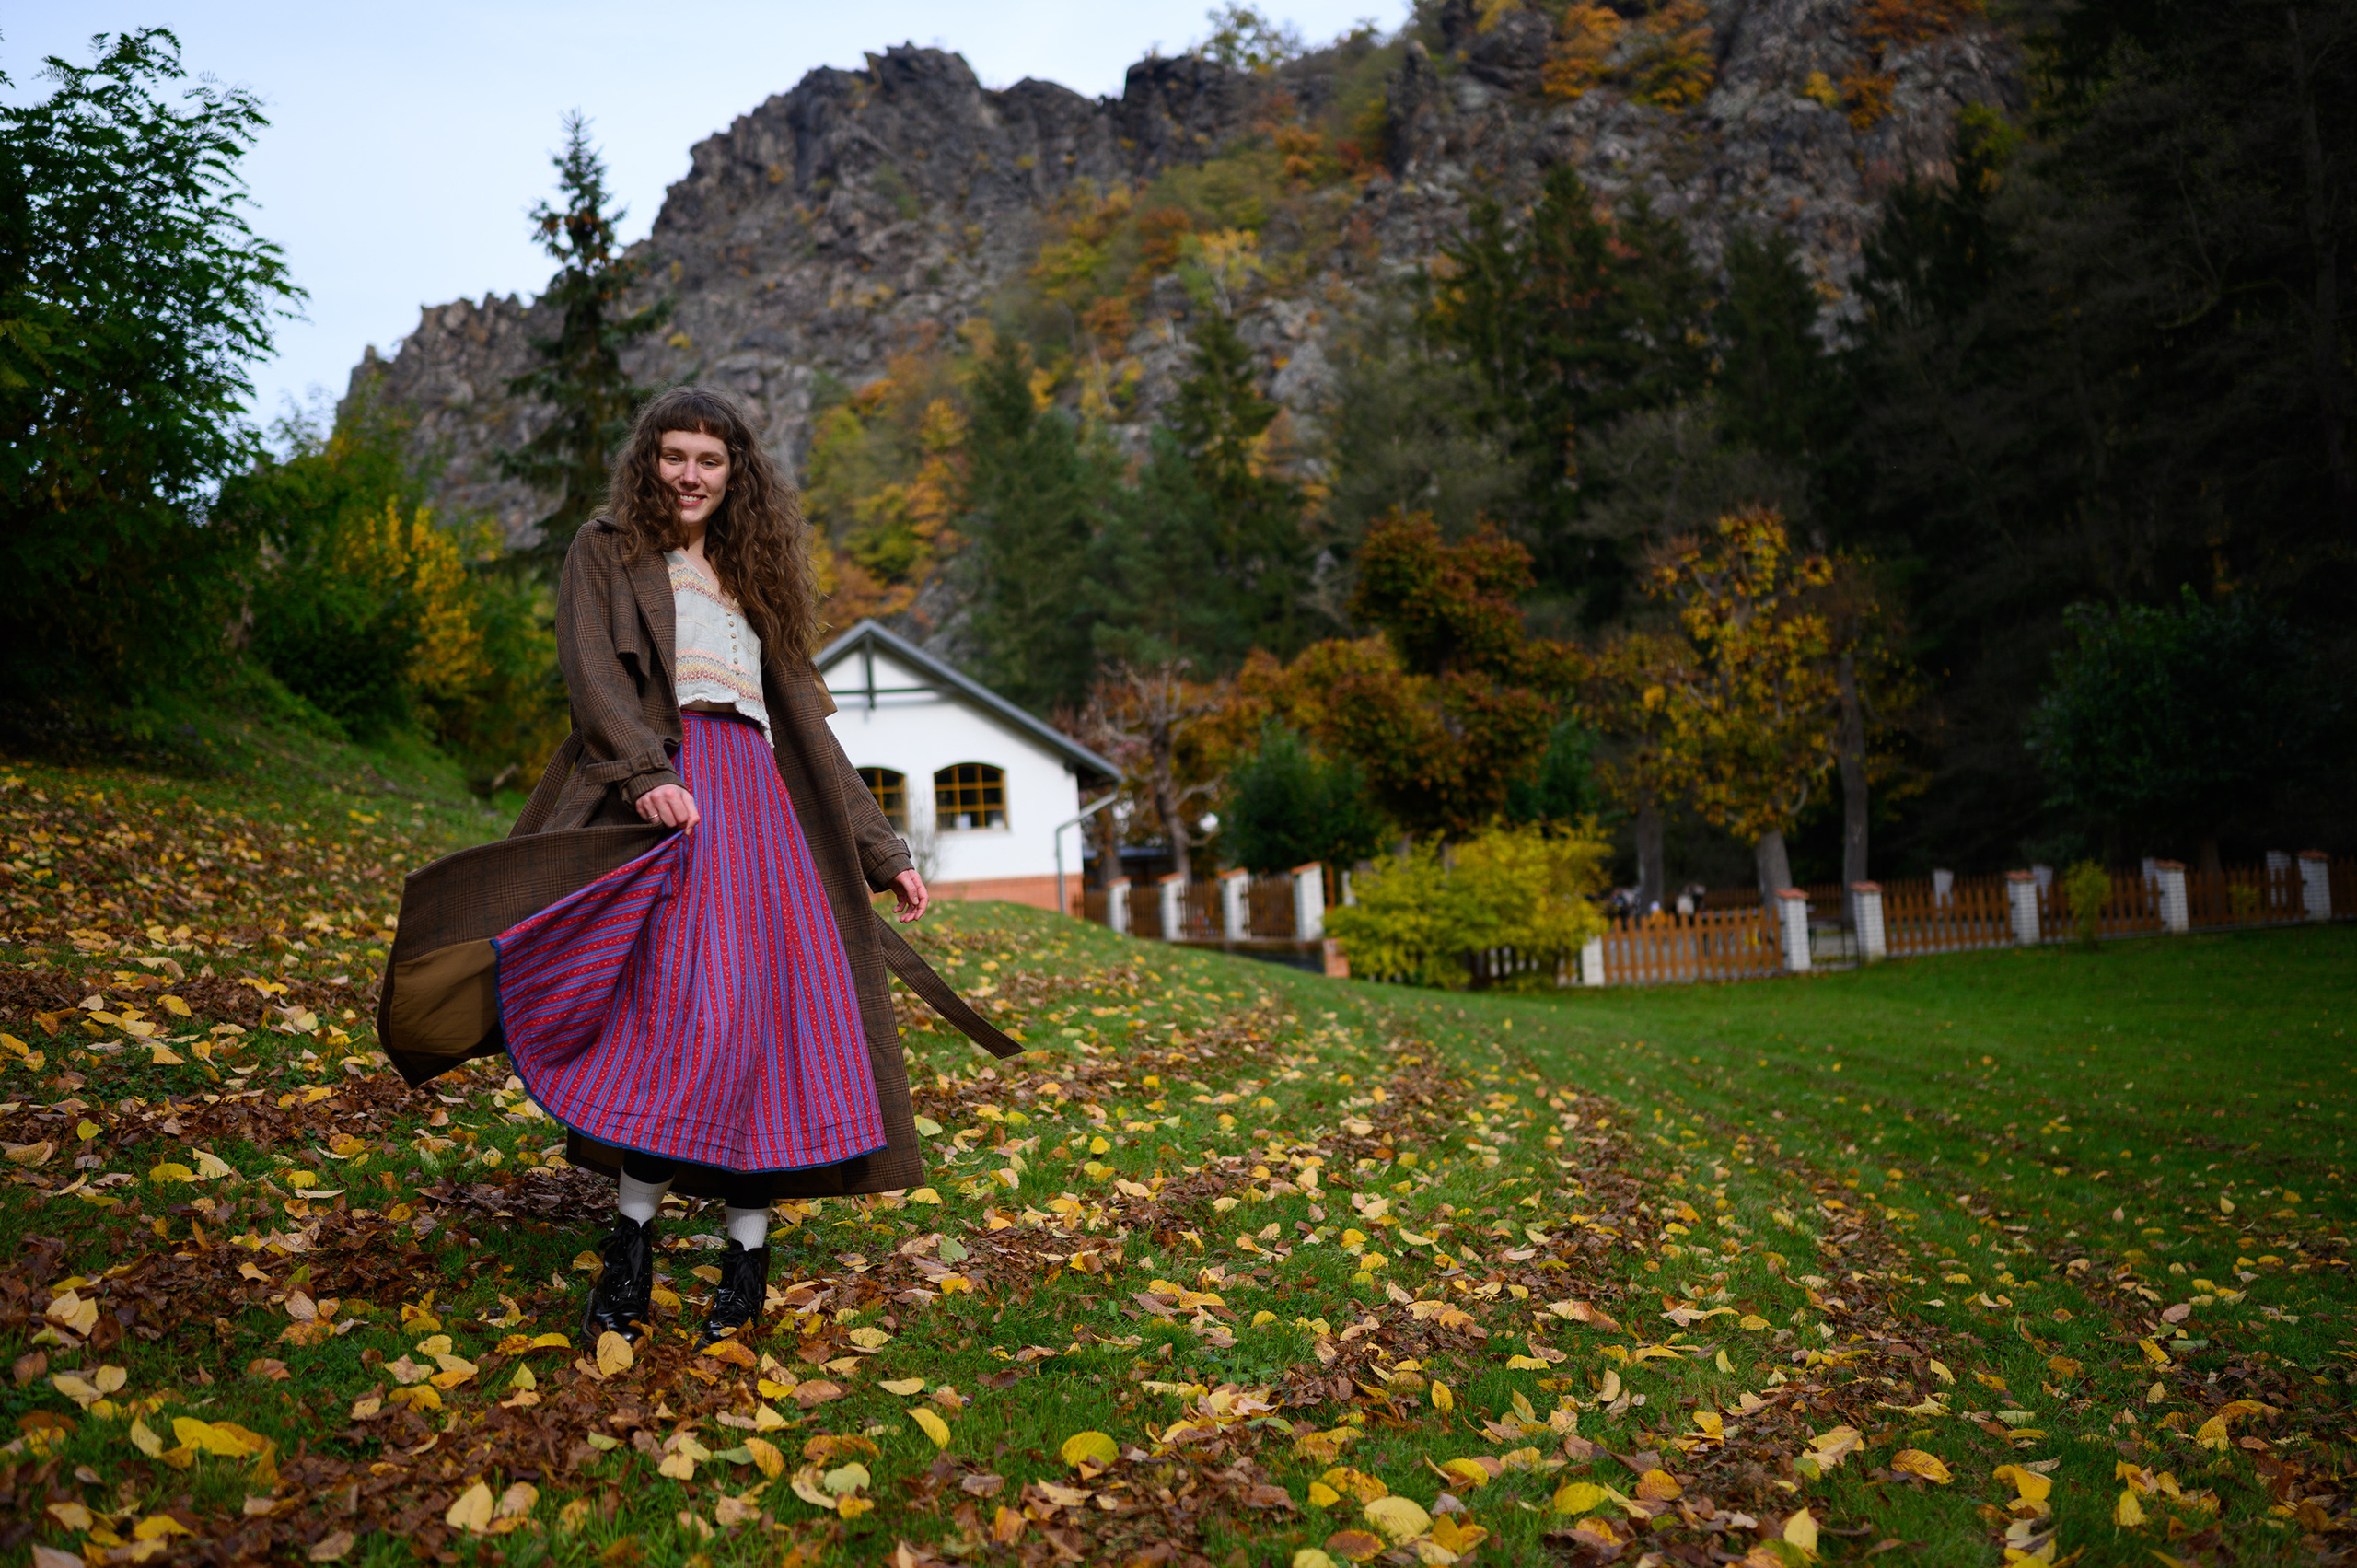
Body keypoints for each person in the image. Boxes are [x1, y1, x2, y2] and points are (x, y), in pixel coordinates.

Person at [483, 386, 927, 1348]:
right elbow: (593, 673)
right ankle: (630, 1246)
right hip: (676, 794)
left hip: (765, 810)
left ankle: (746, 1260)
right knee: (686, 1018)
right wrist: (647, 774)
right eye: (675, 455)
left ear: (736, 474)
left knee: (772, 1026)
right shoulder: (607, 547)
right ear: (651, 460)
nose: (690, 474)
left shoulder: (753, 572)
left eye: (710, 460)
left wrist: (882, 851)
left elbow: (808, 736)